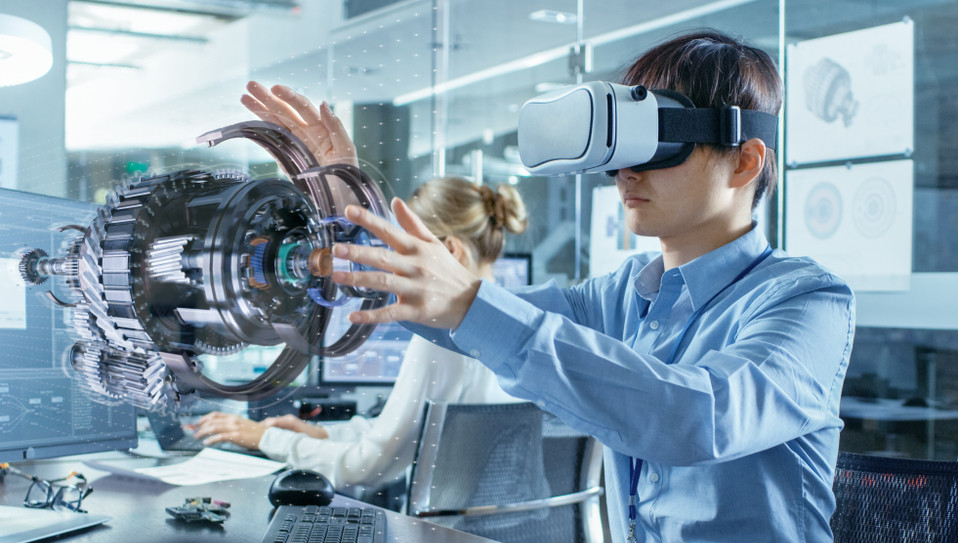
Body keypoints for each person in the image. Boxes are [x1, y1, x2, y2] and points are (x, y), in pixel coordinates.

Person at [222, 28, 856, 542]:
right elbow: (441, 309)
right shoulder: (622, 296)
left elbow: (698, 417)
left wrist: (468, 302)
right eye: (619, 145)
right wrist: (345, 203)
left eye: (658, 141)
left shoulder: (807, 301)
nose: (623, 172)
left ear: (745, 160)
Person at [194, 175, 529, 491]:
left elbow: (369, 466)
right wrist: (320, 433)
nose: (399, 268)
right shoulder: (519, 323)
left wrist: (263, 439)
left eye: (408, 252)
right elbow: (403, 436)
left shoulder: (446, 338)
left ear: (451, 250)